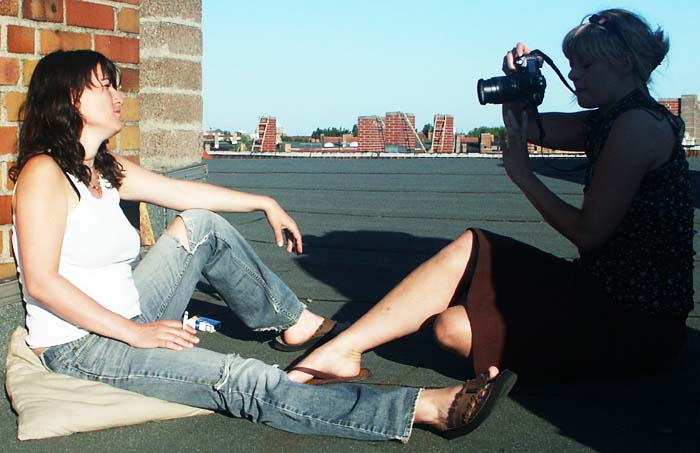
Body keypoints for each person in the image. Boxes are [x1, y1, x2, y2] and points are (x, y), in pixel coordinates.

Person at [10, 49, 516, 442]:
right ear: (68, 99)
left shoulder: (103, 169)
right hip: (82, 343)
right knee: (241, 378)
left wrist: (264, 201)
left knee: (201, 223)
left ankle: (294, 323)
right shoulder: (43, 174)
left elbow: (187, 194)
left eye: (116, 86)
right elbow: (42, 283)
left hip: (130, 312)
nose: (118, 97)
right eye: (103, 87)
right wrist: (134, 334)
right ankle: (419, 408)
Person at [288, 8, 694, 384]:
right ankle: (343, 349)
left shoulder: (637, 127)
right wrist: (519, 86)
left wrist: (524, 176)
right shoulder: (614, 118)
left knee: (452, 329)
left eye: (586, 65)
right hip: (597, 287)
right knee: (473, 245)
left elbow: (589, 234)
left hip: (635, 322)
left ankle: (346, 348)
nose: (575, 76)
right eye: (572, 64)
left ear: (625, 63)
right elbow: (527, 127)